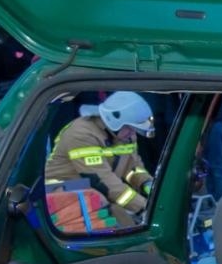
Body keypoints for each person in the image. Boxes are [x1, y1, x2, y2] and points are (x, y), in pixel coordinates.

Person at [45, 91, 158, 226]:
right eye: (130, 128)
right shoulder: (81, 134)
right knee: (122, 223)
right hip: (63, 199)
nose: (133, 133)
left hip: (94, 195)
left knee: (127, 223)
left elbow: (133, 169)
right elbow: (101, 180)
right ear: (114, 120)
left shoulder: (125, 135)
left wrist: (148, 184)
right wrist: (144, 207)